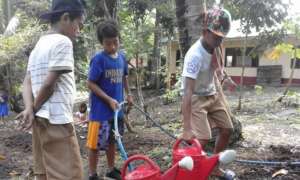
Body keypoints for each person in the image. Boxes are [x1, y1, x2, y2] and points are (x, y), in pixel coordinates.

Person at [16, 0, 85, 179]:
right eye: (78, 24)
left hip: (40, 122)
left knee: (44, 172)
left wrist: (30, 109)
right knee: (70, 174)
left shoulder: (39, 45)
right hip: (57, 120)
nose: (79, 30)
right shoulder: (63, 42)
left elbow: (27, 82)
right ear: (65, 18)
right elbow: (49, 85)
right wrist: (35, 108)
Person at [181, 7, 236, 178]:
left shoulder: (216, 47)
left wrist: (222, 76)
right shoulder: (194, 56)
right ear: (205, 32)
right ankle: (184, 167)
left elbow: (217, 67)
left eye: (222, 37)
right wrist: (187, 128)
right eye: (216, 37)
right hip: (197, 96)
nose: (219, 41)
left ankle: (214, 166)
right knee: (202, 139)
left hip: (213, 92)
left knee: (227, 129)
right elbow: (187, 92)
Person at [86, 20, 133, 180]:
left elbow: (125, 77)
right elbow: (90, 83)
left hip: (116, 112)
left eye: (115, 42)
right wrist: (107, 99)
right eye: (108, 43)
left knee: (113, 141)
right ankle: (92, 174)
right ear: (101, 43)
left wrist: (129, 94)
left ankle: (111, 169)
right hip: (100, 113)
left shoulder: (121, 58)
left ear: (119, 39)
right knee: (95, 145)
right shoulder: (99, 60)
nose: (112, 46)